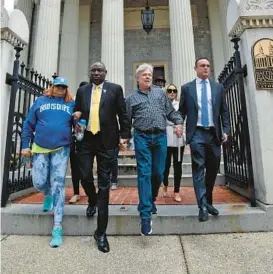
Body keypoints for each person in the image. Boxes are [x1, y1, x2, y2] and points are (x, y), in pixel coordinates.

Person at [74, 62, 130, 253]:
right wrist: (77, 115)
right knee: (84, 176)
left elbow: (123, 113)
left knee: (104, 186)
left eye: (100, 70)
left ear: (105, 73)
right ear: (90, 73)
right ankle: (92, 199)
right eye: (93, 70)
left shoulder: (115, 89)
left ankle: (101, 233)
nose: (96, 73)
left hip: (107, 140)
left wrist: (125, 136)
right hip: (87, 140)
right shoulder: (82, 91)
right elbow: (78, 110)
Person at [126, 63, 183, 236]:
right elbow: (127, 121)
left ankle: (150, 200)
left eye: (150, 74)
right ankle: (145, 215)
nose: (148, 76)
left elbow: (171, 113)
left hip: (160, 137)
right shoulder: (131, 99)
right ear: (137, 78)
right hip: (142, 137)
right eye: (144, 74)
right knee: (144, 172)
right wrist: (124, 137)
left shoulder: (160, 93)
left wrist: (179, 122)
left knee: (158, 172)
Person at [21, 77, 77, 247]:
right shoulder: (40, 101)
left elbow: (78, 125)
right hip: (40, 147)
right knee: (38, 181)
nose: (61, 89)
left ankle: (57, 227)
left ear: (67, 89)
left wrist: (79, 119)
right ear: (52, 87)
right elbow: (28, 124)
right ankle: (47, 194)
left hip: (61, 148)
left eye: (64, 87)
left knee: (58, 184)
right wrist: (25, 145)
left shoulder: (71, 104)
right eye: (58, 86)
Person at [179, 57, 230, 222]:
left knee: (213, 168)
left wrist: (226, 130)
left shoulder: (218, 88)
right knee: (198, 169)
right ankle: (202, 206)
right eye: (202, 66)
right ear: (196, 68)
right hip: (197, 134)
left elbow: (224, 111)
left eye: (208, 66)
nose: (206, 68)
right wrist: (178, 124)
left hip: (214, 134)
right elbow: (182, 111)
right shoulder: (187, 88)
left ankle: (208, 202)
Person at [163, 84, 185, 202]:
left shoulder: (180, 105)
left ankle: (176, 190)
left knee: (178, 165)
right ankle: (165, 184)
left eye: (174, 90)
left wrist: (181, 128)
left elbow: (183, 118)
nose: (172, 92)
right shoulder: (163, 104)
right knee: (165, 165)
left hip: (178, 138)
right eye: (169, 90)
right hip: (166, 136)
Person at [69, 81, 89, 204]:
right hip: (75, 141)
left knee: (86, 168)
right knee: (75, 168)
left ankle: (88, 189)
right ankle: (76, 192)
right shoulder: (72, 105)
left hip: (89, 141)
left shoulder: (92, 104)